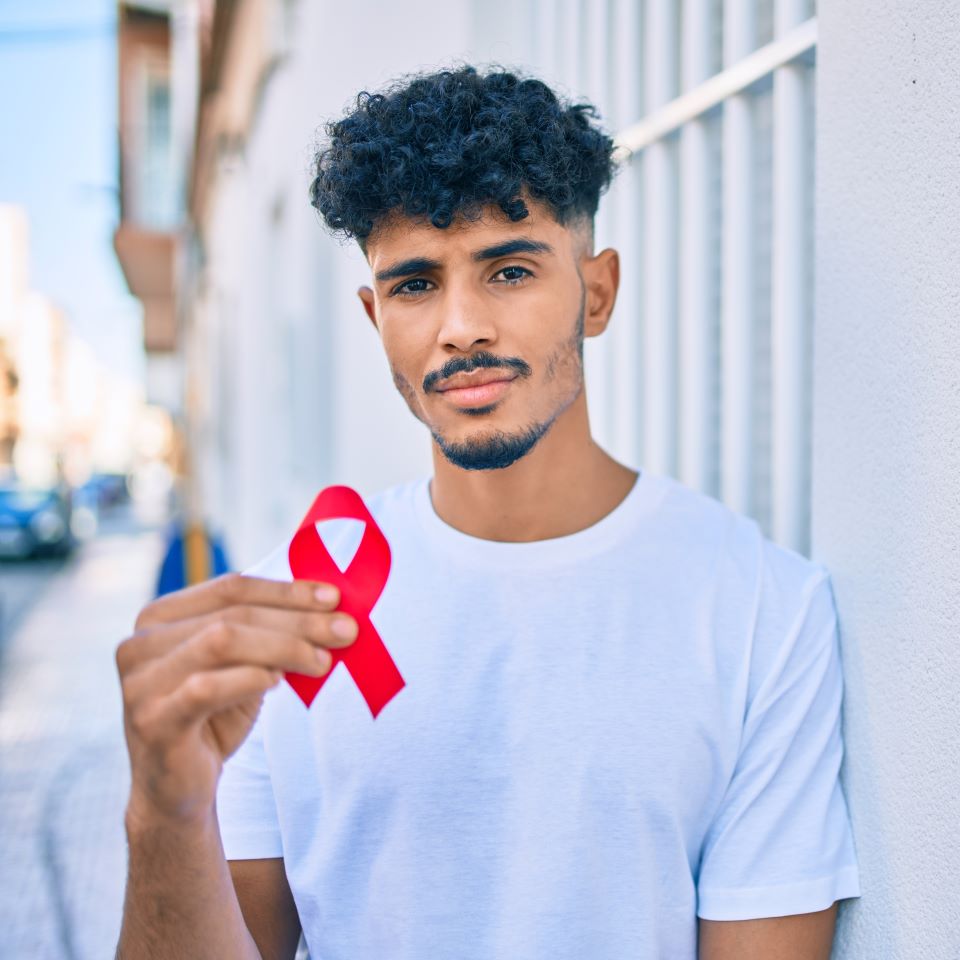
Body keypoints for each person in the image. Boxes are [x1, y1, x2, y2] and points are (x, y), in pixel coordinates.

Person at [114, 65, 861, 959]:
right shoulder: (295, 611)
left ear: (596, 292)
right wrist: (165, 808)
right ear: (373, 313)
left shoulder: (760, 613)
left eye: (508, 269)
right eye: (416, 284)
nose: (460, 326)